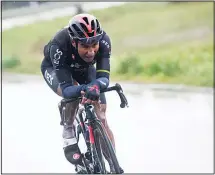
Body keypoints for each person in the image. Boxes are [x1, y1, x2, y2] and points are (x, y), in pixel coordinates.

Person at [40, 13, 123, 173]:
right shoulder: (60, 44)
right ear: (74, 41)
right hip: (57, 69)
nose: (91, 51)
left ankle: (113, 164)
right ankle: (68, 128)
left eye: (94, 45)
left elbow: (103, 77)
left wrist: (95, 86)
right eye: (85, 46)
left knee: (102, 116)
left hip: (84, 69)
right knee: (71, 96)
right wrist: (83, 89)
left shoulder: (104, 41)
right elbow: (66, 88)